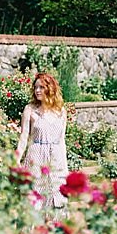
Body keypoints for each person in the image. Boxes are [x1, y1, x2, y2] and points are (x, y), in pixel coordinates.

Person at [15, 72, 68, 218]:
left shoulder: (61, 112)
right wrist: (16, 158)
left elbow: (62, 140)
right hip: (36, 157)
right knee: (34, 197)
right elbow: (24, 136)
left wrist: (64, 166)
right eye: (36, 87)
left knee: (56, 197)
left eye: (41, 87)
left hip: (55, 158)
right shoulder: (30, 109)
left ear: (50, 89)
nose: (37, 90)